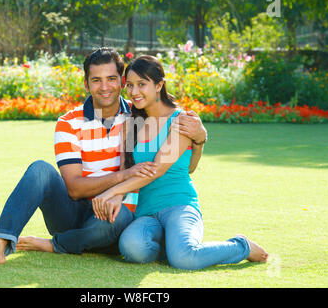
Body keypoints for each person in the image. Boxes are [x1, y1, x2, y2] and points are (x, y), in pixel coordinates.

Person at [0, 48, 205, 268]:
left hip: (114, 216)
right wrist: (122, 177)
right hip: (72, 212)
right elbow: (74, 189)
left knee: (118, 215)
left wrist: (200, 139)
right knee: (40, 169)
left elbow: (175, 165)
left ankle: (56, 244)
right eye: (96, 80)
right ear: (86, 84)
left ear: (122, 82)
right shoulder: (68, 123)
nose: (105, 87)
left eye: (112, 79)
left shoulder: (137, 118)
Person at [92, 55, 268, 270]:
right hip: (147, 212)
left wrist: (109, 192)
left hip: (180, 206)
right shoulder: (131, 124)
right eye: (129, 85)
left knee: (185, 258)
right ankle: (174, 247)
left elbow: (157, 169)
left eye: (141, 84)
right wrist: (117, 194)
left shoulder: (182, 121)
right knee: (131, 248)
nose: (134, 92)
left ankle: (241, 246)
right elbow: (126, 170)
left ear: (159, 85)